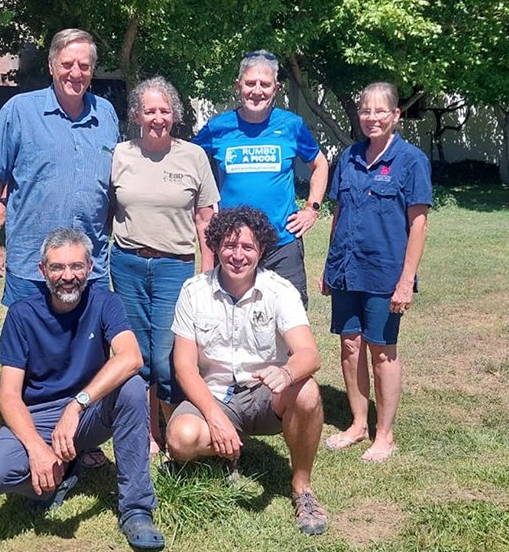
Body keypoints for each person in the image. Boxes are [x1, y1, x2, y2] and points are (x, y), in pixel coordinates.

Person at [0, 228, 165, 550]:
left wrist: (76, 405)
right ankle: (56, 477)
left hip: (87, 412)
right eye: (57, 267)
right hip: (38, 416)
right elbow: (7, 395)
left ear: (90, 268)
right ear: (42, 271)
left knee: (132, 386)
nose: (68, 276)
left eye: (76, 266)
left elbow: (131, 358)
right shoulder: (23, 314)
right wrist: (37, 448)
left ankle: (136, 508)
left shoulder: (105, 302)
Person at [166, 206, 328, 536]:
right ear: (214, 246)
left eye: (247, 247)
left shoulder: (280, 290)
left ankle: (302, 487)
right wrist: (214, 417)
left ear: (262, 250)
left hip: (267, 395)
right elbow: (184, 367)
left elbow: (310, 354)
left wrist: (285, 374)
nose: (237, 255)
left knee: (308, 391)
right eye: (229, 245)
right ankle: (225, 449)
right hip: (215, 393)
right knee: (180, 441)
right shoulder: (193, 292)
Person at [319, 82, 431, 463]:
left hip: (384, 274)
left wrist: (406, 282)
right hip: (347, 271)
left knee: (382, 353)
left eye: (381, 111)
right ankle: (358, 423)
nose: (372, 118)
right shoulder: (349, 157)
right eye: (366, 111)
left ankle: (385, 434)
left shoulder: (411, 161)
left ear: (396, 116)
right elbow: (338, 214)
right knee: (350, 347)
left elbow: (418, 225)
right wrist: (329, 267)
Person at [109, 76, 219, 457]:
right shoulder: (120, 154)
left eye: (165, 110)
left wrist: (208, 270)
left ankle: (176, 431)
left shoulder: (193, 156)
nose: (158, 117)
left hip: (175, 266)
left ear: (175, 114)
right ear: (137, 114)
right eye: (150, 110)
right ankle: (145, 432)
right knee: (136, 354)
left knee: (167, 355)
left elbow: (206, 219)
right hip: (127, 264)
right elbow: (106, 208)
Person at [0, 28, 119, 306]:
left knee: (89, 348)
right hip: (34, 266)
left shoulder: (106, 114)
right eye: (67, 64)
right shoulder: (19, 110)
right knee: (29, 346)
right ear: (51, 66)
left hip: (90, 266)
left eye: (84, 66)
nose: (75, 73)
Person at [192, 50, 329, 307]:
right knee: (234, 324)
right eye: (250, 83)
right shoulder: (218, 127)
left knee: (290, 324)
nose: (257, 91)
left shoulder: (291, 125)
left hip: (282, 244)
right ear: (238, 86)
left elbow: (320, 164)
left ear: (275, 88)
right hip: (235, 247)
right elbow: (188, 162)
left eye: (265, 84)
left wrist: (312, 209)